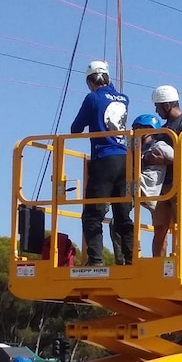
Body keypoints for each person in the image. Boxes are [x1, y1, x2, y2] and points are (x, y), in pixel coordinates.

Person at [70, 60, 133, 266]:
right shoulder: (123, 98)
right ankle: (131, 258)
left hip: (104, 159)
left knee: (92, 213)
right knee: (122, 213)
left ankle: (95, 260)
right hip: (125, 159)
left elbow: (76, 128)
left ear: (90, 80)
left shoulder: (92, 98)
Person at [134, 113, 182, 257]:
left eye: (137, 128)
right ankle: (157, 261)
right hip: (155, 192)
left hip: (170, 188)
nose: (134, 132)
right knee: (160, 228)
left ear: (148, 129)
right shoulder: (137, 150)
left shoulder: (160, 146)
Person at [152, 85, 182, 257]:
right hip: (164, 184)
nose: (156, 111)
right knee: (159, 227)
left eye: (158, 106)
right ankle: (158, 263)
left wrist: (164, 160)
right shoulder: (165, 127)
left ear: (166, 105)